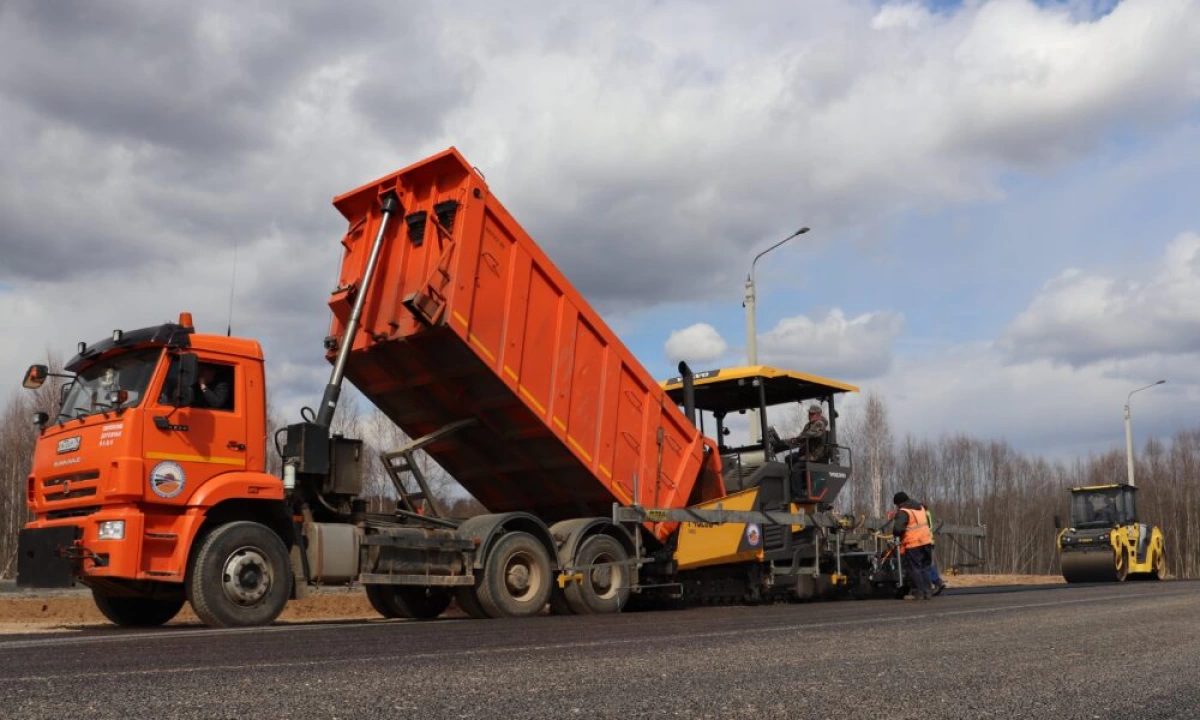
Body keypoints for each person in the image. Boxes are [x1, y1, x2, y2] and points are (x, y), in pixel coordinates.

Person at [891, 491, 935, 600]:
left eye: (897, 505)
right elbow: (927, 525)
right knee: (925, 567)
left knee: (914, 568)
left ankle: (919, 592)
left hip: (913, 543)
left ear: (899, 503)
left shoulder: (903, 511)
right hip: (926, 542)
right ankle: (927, 592)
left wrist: (898, 534)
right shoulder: (921, 508)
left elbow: (897, 529)